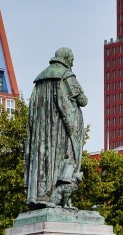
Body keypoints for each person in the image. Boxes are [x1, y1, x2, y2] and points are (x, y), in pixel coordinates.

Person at [24, 47, 88, 209]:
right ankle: (55, 197)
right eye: (72, 59)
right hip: (60, 131)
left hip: (41, 132)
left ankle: (40, 196)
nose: (73, 62)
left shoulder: (39, 81)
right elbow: (83, 100)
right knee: (65, 159)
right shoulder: (66, 75)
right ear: (66, 59)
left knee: (43, 160)